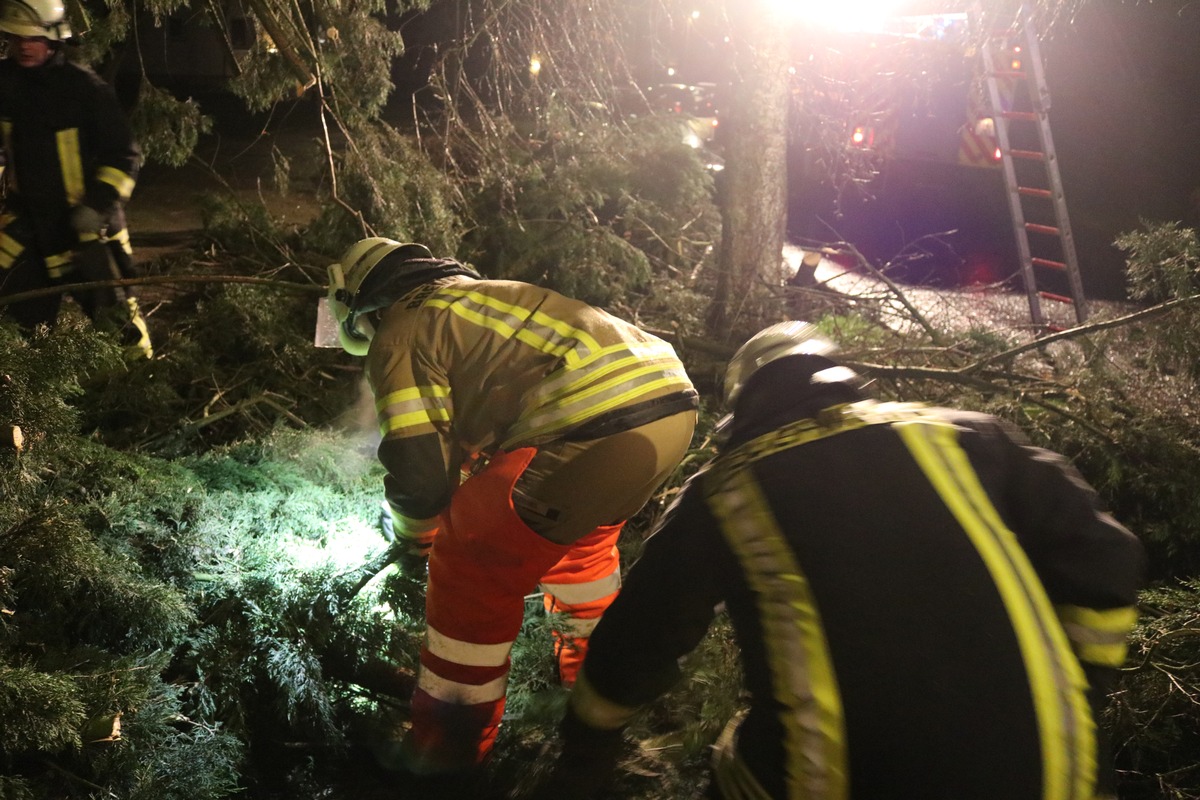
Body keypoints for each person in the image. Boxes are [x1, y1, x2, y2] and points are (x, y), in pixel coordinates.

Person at [540, 320, 1146, 800]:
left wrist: (588, 737)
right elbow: (1105, 557)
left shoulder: (725, 489)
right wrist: (1081, 689)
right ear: (841, 378)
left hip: (839, 783)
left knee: (735, 769)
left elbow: (645, 630)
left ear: (744, 407)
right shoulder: (971, 437)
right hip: (1059, 773)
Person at [324, 238, 698, 781]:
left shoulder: (400, 327)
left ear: (359, 306)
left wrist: (414, 537)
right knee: (580, 554)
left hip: (587, 422)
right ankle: (596, 691)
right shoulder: (472, 301)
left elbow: (421, 470)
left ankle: (446, 750)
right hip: (669, 406)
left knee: (470, 563)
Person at [0, 0, 151, 359]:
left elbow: (124, 155)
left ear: (54, 38)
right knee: (21, 326)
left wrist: (96, 206)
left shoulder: (84, 89)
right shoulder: (4, 83)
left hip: (84, 230)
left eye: (34, 37)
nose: (24, 46)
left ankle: (142, 388)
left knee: (117, 323)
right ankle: (37, 404)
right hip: (27, 228)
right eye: (17, 37)